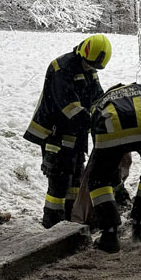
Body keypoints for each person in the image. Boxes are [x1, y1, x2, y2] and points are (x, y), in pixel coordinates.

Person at [23, 35, 111, 228]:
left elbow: (97, 97)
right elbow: (69, 108)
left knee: (75, 178)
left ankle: (70, 222)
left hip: (76, 134)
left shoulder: (89, 69)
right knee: (59, 180)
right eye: (89, 64)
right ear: (83, 54)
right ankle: (52, 223)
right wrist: (95, 122)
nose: (91, 68)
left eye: (94, 67)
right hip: (56, 133)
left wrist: (105, 113)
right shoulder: (61, 68)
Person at [87, 83, 141, 252]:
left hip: (112, 133)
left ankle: (109, 234)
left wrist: (111, 174)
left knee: (99, 179)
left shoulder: (102, 101)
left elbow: (98, 144)